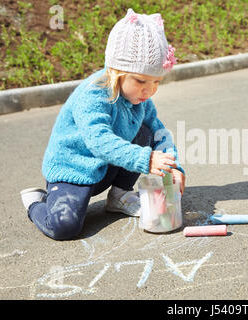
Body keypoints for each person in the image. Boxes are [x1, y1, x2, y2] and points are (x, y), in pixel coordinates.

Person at [20, 9, 185, 240]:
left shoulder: (140, 98)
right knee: (64, 227)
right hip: (73, 171)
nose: (150, 90)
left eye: (156, 81)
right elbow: (99, 142)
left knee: (145, 132)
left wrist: (172, 165)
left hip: (106, 167)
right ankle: (35, 203)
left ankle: (119, 196)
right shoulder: (93, 94)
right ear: (115, 71)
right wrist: (147, 160)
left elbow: (158, 131)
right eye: (141, 80)